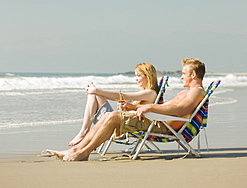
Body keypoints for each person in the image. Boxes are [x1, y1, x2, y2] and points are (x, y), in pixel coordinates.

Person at [51, 58, 206, 161]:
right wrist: (137, 106)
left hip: (162, 126)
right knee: (110, 115)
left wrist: (149, 106)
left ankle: (83, 153)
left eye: (184, 73)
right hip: (157, 121)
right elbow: (167, 107)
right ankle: (77, 149)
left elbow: (179, 110)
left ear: (193, 74)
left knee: (112, 117)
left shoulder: (197, 91)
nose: (181, 77)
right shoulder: (186, 92)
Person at [67, 62, 159, 146]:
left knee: (94, 94)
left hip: (123, 124)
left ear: (148, 76)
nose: (136, 79)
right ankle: (84, 131)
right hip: (122, 122)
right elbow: (118, 98)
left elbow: (123, 96)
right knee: (94, 95)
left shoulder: (150, 93)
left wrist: (96, 90)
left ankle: (84, 131)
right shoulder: (144, 93)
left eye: (139, 76)